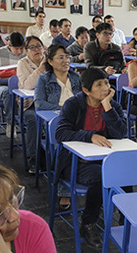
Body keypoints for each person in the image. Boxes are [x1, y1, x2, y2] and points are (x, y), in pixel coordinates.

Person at [55, 68, 127, 241]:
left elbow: (121, 133)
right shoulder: (73, 105)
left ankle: (126, 220)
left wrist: (107, 107)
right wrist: (89, 136)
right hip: (76, 162)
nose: (105, 88)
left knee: (125, 174)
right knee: (102, 176)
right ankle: (88, 223)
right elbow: (61, 133)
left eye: (107, 83)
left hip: (104, 158)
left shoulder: (112, 104)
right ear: (86, 90)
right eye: (99, 84)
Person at [17, 36, 45, 172]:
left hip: (47, 103)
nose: (36, 50)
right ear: (26, 51)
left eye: (39, 46)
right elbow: (26, 86)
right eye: (32, 47)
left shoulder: (50, 60)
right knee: (34, 119)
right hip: (29, 105)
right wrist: (40, 70)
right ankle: (33, 157)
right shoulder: (23, 63)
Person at [35, 44, 81, 113]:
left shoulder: (76, 77)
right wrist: (63, 109)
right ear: (50, 61)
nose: (66, 61)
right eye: (61, 57)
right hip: (56, 116)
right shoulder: (44, 79)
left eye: (67, 57)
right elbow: (39, 104)